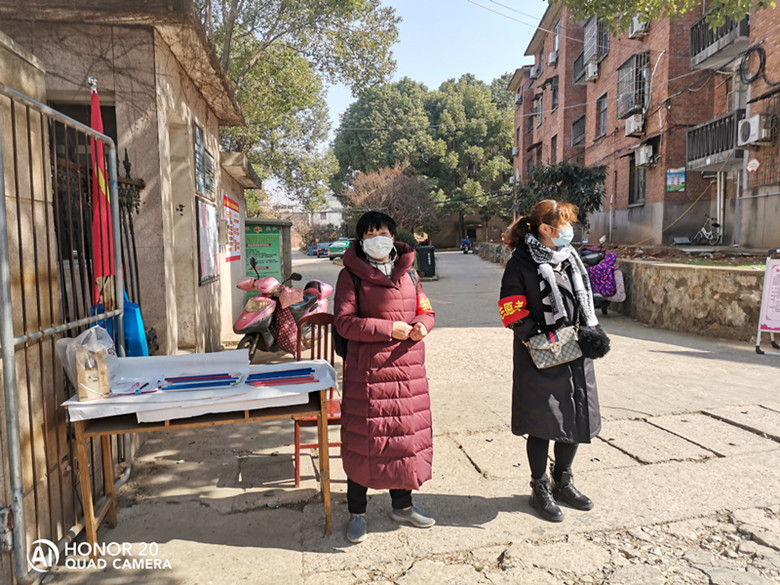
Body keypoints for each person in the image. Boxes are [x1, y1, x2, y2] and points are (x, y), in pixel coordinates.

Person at [334, 211, 436, 543]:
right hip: (368, 372)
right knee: (367, 441)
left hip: (407, 371)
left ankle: (402, 506)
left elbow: (426, 309)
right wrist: (388, 328)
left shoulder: (411, 273)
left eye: (383, 231)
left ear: (394, 236)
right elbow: (345, 323)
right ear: (361, 240)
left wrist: (423, 324)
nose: (378, 238)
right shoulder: (350, 275)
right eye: (370, 233)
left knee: (402, 439)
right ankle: (357, 512)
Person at [498, 199, 602, 523]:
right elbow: (511, 310)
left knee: (576, 417)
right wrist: (539, 340)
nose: (569, 231)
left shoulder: (569, 258)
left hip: (575, 350)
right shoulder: (521, 264)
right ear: (545, 229)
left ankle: (563, 480)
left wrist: (588, 331)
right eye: (564, 225)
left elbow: (584, 298)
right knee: (542, 423)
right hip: (540, 355)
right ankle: (539, 485)